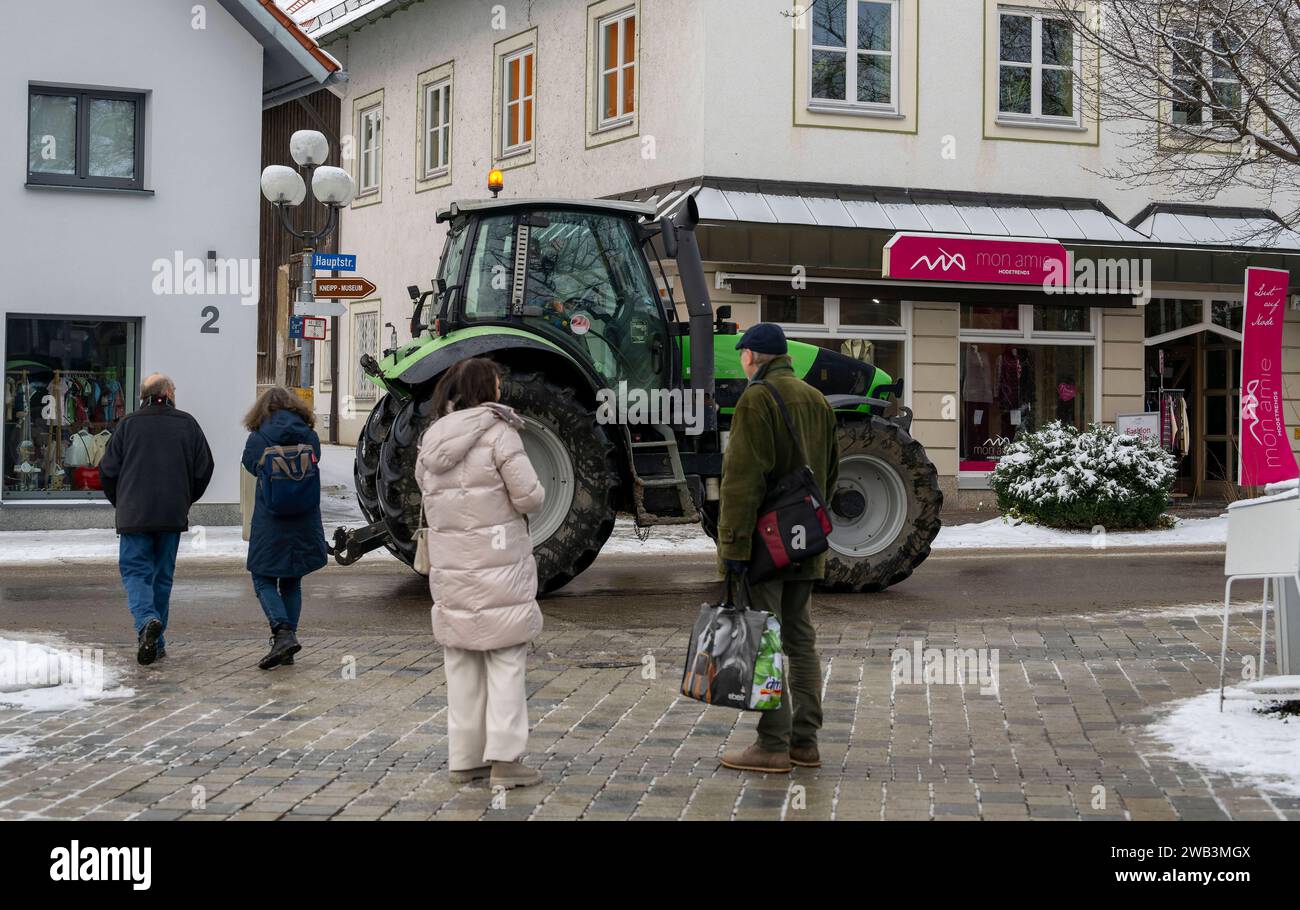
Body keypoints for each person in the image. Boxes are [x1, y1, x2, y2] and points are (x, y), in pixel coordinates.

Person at [415, 358, 546, 790]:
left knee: (462, 663)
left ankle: (463, 760)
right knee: (505, 660)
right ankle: (506, 763)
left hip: (452, 568)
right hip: (499, 568)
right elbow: (528, 496)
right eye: (497, 380)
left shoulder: (433, 437)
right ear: (486, 388)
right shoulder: (500, 433)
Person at [715, 324, 839, 774]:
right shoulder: (816, 399)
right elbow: (830, 475)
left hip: (765, 547)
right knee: (799, 638)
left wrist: (733, 547)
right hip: (806, 539)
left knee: (764, 639)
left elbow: (742, 483)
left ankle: (771, 745)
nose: (742, 359)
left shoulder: (757, 399)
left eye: (743, 351)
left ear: (753, 355)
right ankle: (805, 742)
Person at [99, 373, 214, 666]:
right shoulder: (187, 423)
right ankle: (156, 643)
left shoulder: (127, 425)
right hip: (171, 516)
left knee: (136, 573)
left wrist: (122, 503)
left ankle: (146, 622)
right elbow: (204, 468)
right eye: (174, 388)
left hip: (134, 515)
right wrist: (184, 499)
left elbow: (108, 471)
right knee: (162, 578)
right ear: (167, 393)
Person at [241, 386, 328, 670]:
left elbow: (250, 466)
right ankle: (287, 647)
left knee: (262, 577)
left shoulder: (258, 437)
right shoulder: (309, 435)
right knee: (292, 580)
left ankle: (282, 633)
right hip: (304, 518)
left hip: (271, 519)